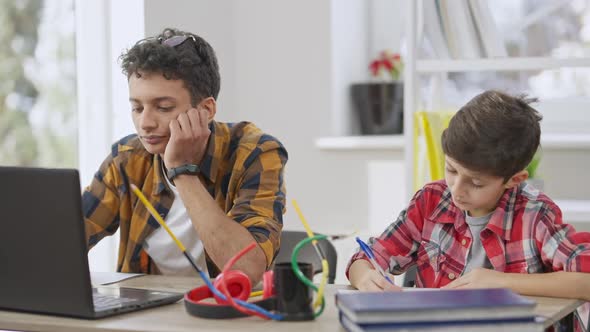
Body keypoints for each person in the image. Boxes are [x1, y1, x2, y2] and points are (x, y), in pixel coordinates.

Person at [347, 90, 590, 329]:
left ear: (514, 179)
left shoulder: (535, 215)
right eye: (451, 170)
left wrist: (502, 282)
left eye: (476, 183)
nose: (457, 190)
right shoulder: (431, 201)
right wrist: (364, 275)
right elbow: (367, 258)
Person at [83, 28, 287, 285]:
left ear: (206, 109)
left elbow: (245, 268)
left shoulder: (255, 153)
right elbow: (65, 241)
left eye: (163, 107)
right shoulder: (127, 159)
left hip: (231, 317)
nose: (144, 123)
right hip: (146, 319)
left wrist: (182, 171)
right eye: (136, 107)